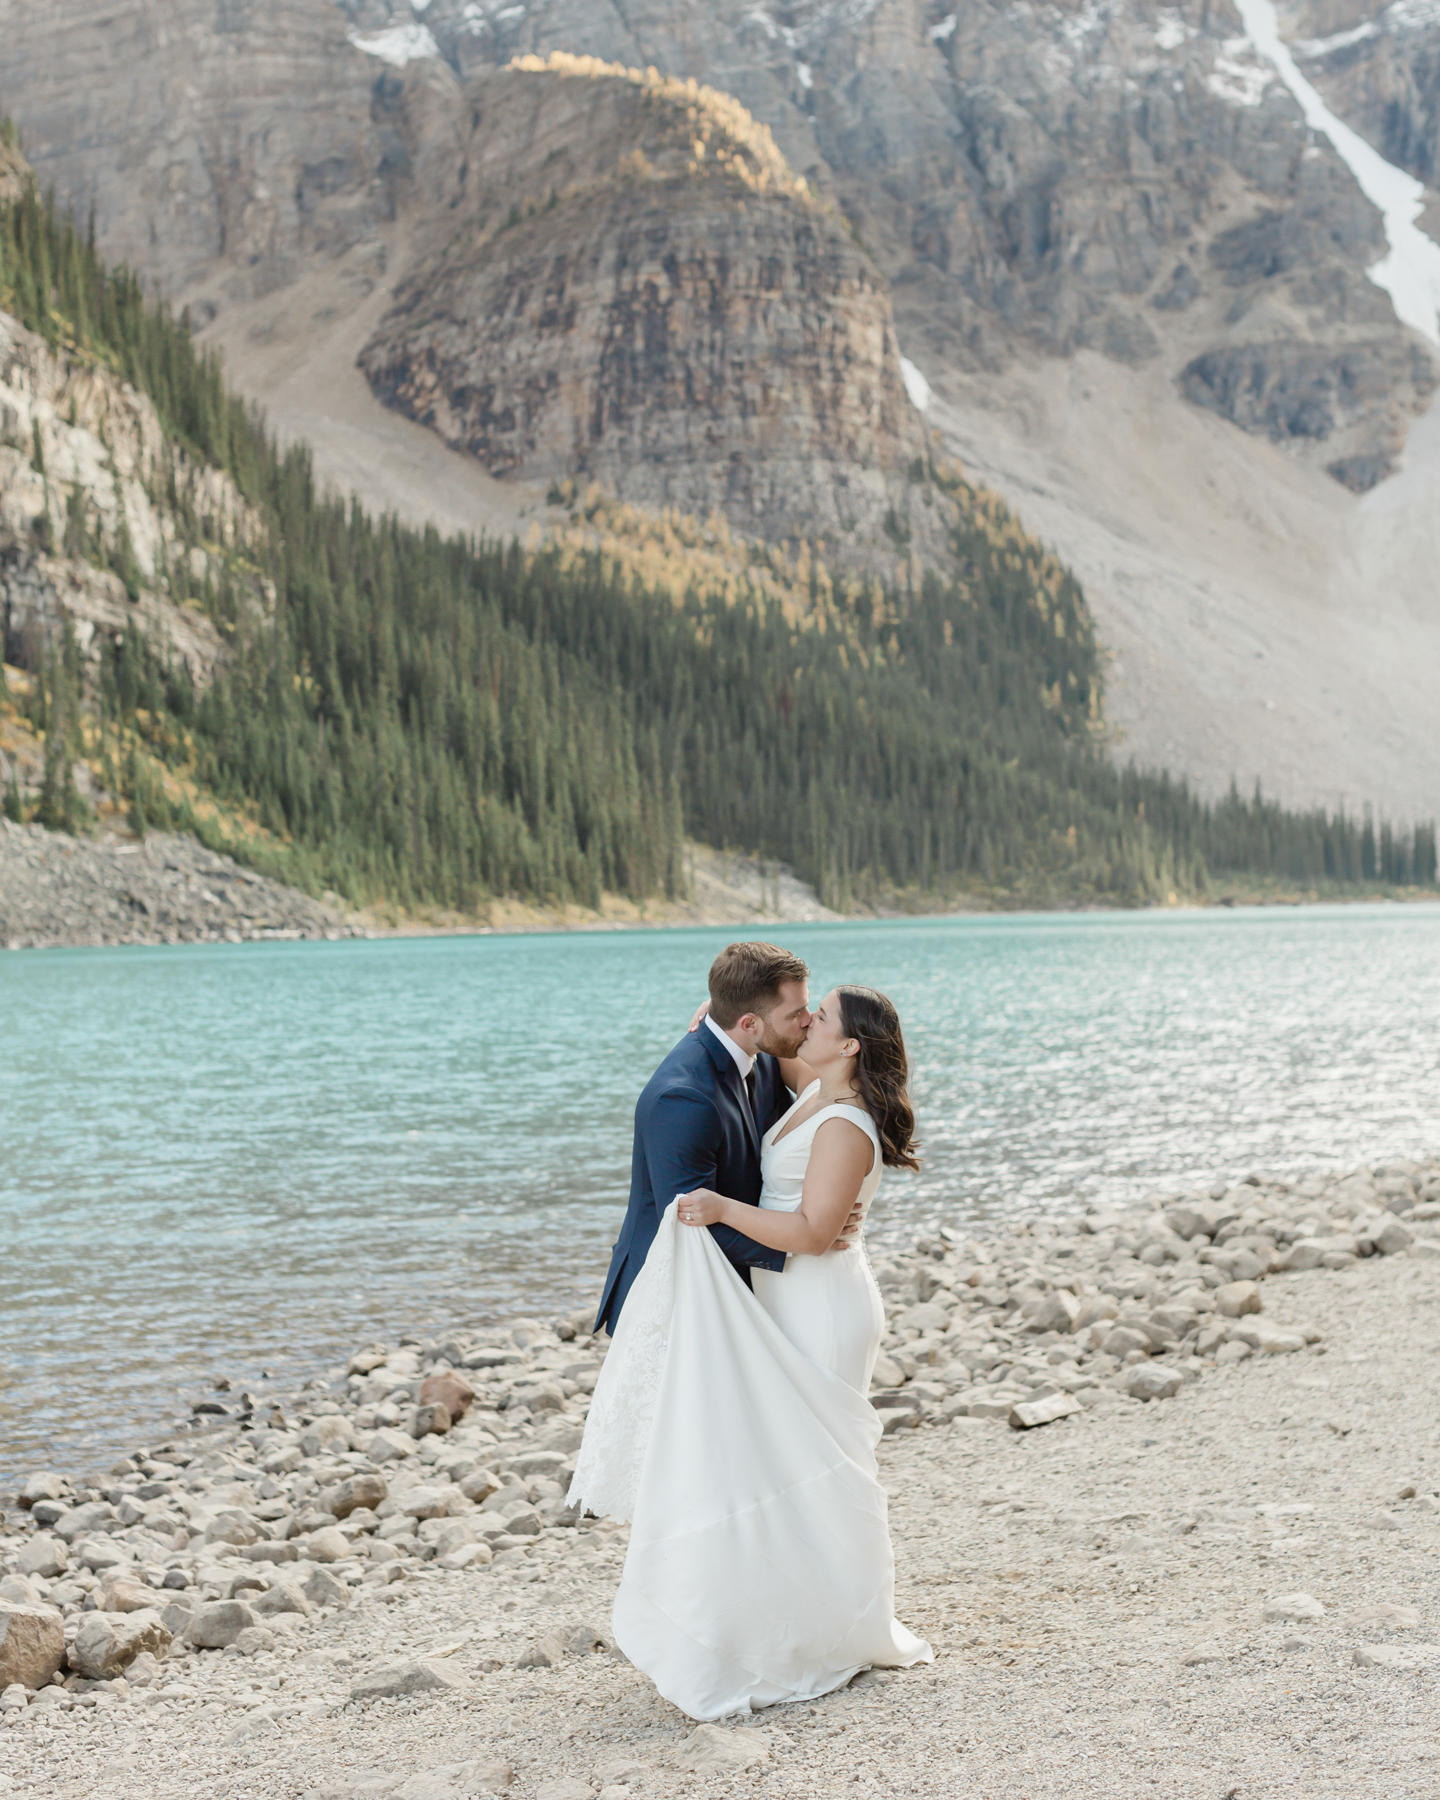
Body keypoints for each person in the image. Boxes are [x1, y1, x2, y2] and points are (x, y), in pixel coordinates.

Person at [569, 979, 933, 1721]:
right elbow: (759, 1056)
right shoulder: (813, 1080)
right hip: (786, 1296)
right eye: (803, 1012)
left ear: (851, 1044)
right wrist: (715, 1031)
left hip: (822, 1301)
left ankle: (839, 1627)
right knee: (781, 1463)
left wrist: (722, 1207)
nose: (806, 1023)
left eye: (819, 1016)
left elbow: (810, 1231)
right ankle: (784, 1618)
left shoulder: (844, 1122)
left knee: (821, 1469)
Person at [592, 940, 817, 1336]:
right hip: (674, 1303)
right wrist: (806, 1244)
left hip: (736, 1284)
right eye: (796, 1013)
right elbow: (690, 1225)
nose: (809, 1020)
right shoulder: (683, 1098)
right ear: (749, 1023)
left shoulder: (763, 1053)